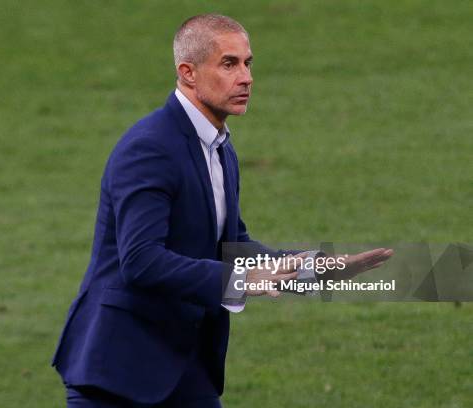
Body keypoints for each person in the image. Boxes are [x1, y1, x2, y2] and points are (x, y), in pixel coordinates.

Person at [51, 14, 393, 407]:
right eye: (229, 64)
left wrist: (320, 268)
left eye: (248, 63)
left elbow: (232, 246)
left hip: (186, 367)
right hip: (120, 371)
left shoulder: (220, 148)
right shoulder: (149, 148)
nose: (246, 77)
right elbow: (141, 261)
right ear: (188, 73)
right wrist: (244, 279)